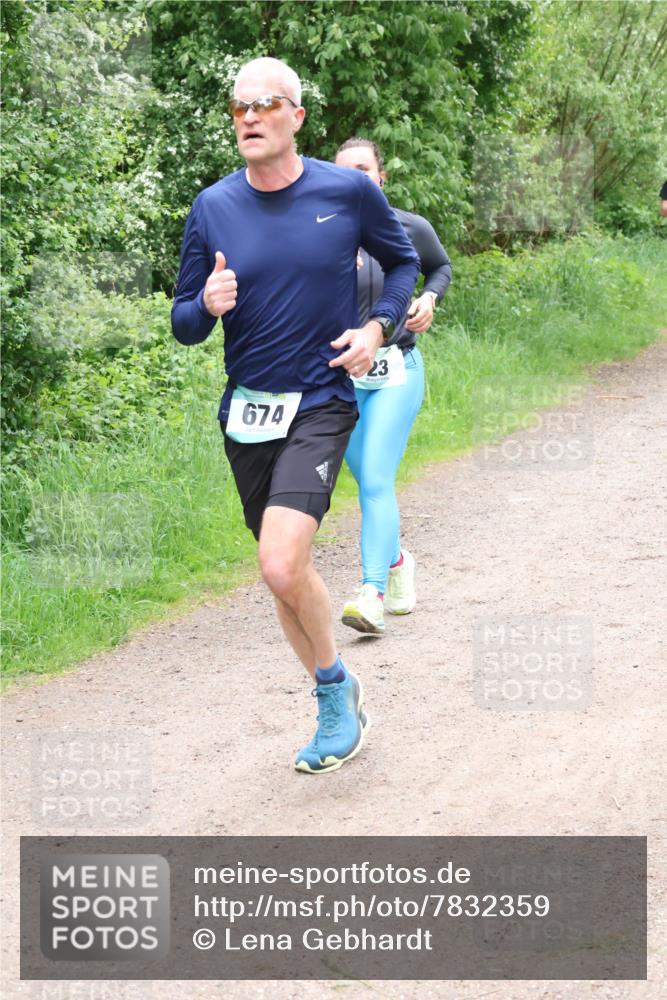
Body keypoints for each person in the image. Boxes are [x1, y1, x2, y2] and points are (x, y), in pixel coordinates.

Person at [171, 59, 419, 773]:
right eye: (238, 107)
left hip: (321, 399)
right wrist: (205, 306)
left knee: (280, 560)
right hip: (248, 411)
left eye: (265, 105)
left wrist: (375, 328)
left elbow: (400, 265)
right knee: (282, 572)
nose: (248, 118)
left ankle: (332, 697)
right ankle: (336, 689)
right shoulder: (212, 206)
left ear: (296, 117)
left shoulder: (343, 192)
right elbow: (184, 322)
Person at [334, 138, 452, 635]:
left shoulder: (408, 227)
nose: (356, 178)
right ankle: (399, 559)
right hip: (340, 379)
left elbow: (440, 266)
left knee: (377, 481)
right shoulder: (319, 233)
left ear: (381, 176)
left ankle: (371, 593)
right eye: (345, 171)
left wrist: (429, 296)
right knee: (368, 484)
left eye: (364, 169)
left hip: (396, 371)